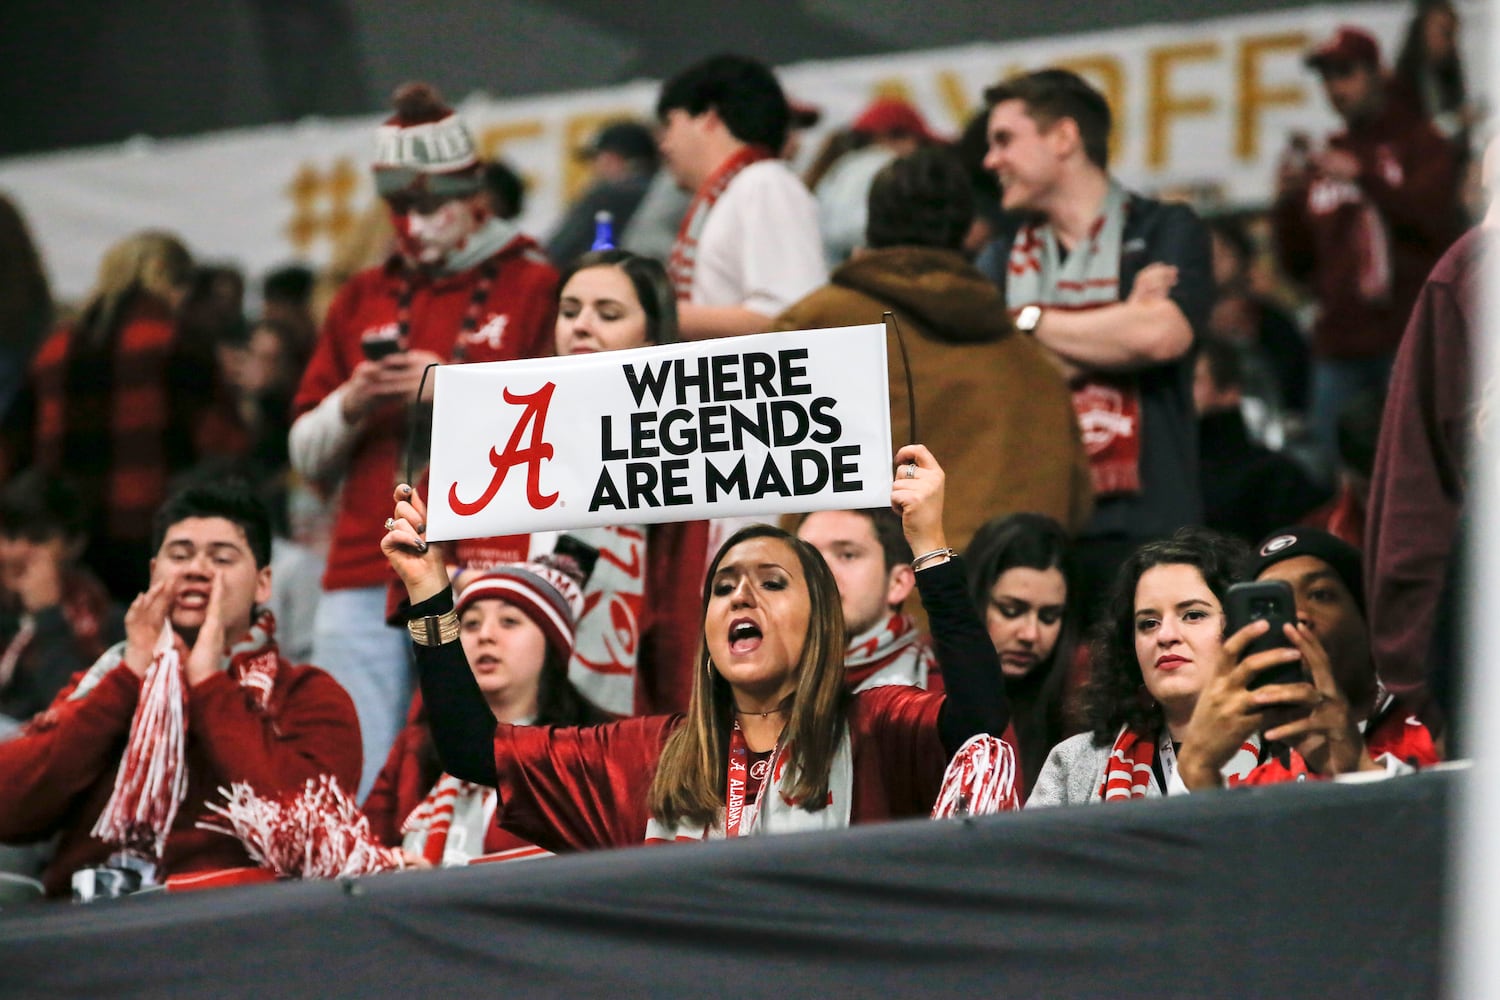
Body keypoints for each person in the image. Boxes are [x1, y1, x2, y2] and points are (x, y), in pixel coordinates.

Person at [382, 444, 1010, 848]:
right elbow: (470, 749)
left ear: (821, 622)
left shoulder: (877, 728)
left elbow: (980, 720)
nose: (742, 597)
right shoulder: (643, 757)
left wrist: (929, 545)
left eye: (772, 582)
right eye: (724, 586)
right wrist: (430, 595)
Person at [289, 82, 557, 798]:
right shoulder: (361, 294)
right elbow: (300, 450)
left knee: (479, 759)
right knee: (360, 769)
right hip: (357, 567)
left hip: (484, 564)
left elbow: (566, 426)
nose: (413, 225)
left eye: (430, 204)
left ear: (476, 196)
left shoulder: (536, 285)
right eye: (399, 207)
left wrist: (450, 387)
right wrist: (351, 402)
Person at [0, 480, 360, 897]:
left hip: (229, 926)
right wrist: (130, 675)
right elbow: (11, 809)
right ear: (154, 573)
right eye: (180, 555)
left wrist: (209, 686)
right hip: (91, 922)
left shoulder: (307, 696)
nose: (196, 569)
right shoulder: (111, 679)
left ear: (263, 584)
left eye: (221, 558)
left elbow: (307, 836)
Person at [976, 69, 1212, 621]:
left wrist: (1027, 318)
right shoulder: (998, 254)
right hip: (1037, 522)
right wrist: (1122, 320)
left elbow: (1160, 336)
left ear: (1063, 138)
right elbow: (999, 372)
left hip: (1151, 518)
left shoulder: (1166, 227)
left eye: (1004, 139)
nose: (991, 161)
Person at [776, 147, 1092, 555]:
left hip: (857, 610)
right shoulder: (1033, 367)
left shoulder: (813, 326)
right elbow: (1075, 506)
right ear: (970, 232)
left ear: (870, 227)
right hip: (990, 608)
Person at [1271, 26, 1464, 467]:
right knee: (1329, 470)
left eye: (1345, 72)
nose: (1335, 87)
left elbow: (1439, 224)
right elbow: (1298, 265)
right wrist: (1284, 204)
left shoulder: (1421, 143)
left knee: (1423, 466)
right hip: (1339, 345)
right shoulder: (1325, 160)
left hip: (1411, 337)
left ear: (1378, 73)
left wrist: (1364, 179)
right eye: (1326, 77)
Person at [1027, 528, 1312, 805]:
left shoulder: (1302, 748)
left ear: (1244, 626)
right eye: (1148, 623)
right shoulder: (1074, 762)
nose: (1165, 636)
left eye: (1192, 615)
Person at [24, 231, 232, 602]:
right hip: (157, 540)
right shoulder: (177, 341)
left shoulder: (55, 347)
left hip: (67, 546)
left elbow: (21, 446)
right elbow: (224, 443)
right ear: (169, 282)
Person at [364, 558, 605, 866]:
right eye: (471, 624)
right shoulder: (414, 747)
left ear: (553, 644)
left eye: (509, 622)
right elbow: (361, 851)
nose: (485, 635)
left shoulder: (587, 754)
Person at [657, 54, 826, 340]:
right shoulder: (736, 191)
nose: (664, 144)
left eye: (670, 124)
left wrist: (651, 313)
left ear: (708, 119)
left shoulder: (765, 183)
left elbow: (795, 316)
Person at [1247, 527, 1439, 774]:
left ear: (1368, 620)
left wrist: (1359, 768)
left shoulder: (1444, 728)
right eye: (1271, 608)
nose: (1297, 616)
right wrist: (1197, 765)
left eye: (1319, 594)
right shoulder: (1261, 780)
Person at [964, 513, 1077, 800]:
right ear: (974, 600)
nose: (1030, 634)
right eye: (1011, 610)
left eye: (1049, 616)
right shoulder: (922, 679)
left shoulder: (1082, 696)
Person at [0, 470, 123, 726]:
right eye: (10, 537)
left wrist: (48, 615)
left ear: (73, 545)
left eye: (37, 538)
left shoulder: (106, 623)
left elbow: (76, 716)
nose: (19, 552)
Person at [1195, 336, 1329, 545]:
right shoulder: (1162, 471)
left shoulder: (1275, 477)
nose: (1180, 395)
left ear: (1230, 391)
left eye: (1194, 381)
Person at [794, 507, 937, 692]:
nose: (820, 573)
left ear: (898, 583)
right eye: (806, 557)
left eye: (847, 555)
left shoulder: (939, 697)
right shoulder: (761, 678)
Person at [814, 96, 944, 268]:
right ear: (892, 136)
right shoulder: (887, 166)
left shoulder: (843, 167)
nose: (921, 150)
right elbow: (849, 231)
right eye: (919, 142)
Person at [546, 120, 659, 268]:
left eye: (596, 159)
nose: (594, 169)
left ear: (612, 158)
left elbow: (557, 252)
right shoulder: (666, 192)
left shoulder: (605, 195)